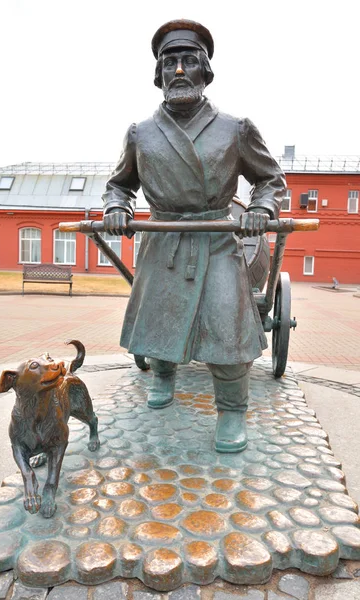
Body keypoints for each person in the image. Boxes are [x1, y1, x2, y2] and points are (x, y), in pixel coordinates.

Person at [102, 19, 286, 453]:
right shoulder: (140, 133)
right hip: (163, 237)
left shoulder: (235, 128)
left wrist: (260, 208)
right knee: (160, 317)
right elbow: (119, 183)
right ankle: (163, 375)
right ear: (159, 74)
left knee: (228, 325)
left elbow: (271, 178)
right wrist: (116, 207)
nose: (179, 71)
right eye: (171, 63)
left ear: (206, 71)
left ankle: (232, 411)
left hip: (216, 236)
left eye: (189, 61)